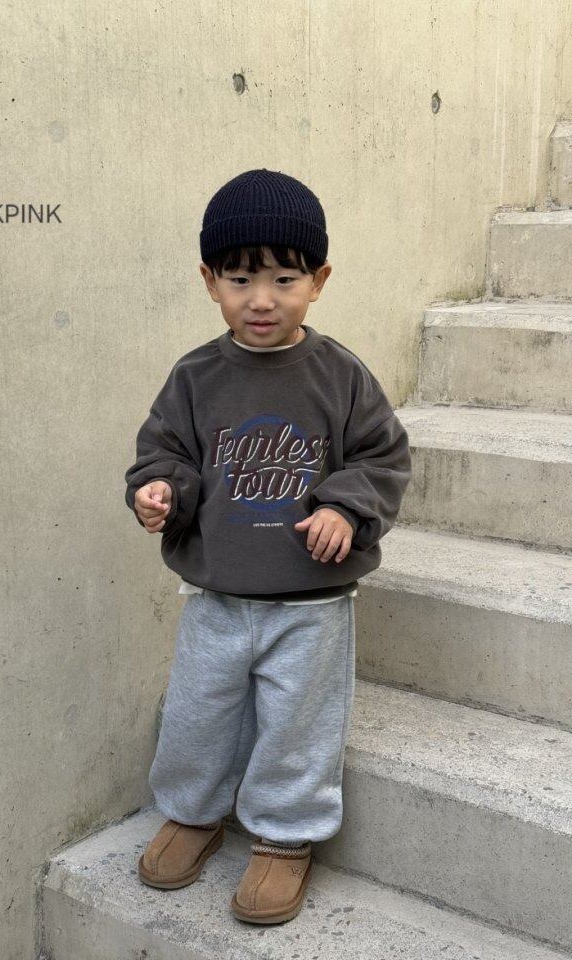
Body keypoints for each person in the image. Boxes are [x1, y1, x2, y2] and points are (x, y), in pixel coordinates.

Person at [124, 168, 412, 925]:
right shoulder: (195, 377)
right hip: (217, 593)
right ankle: (193, 812)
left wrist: (346, 507)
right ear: (209, 281)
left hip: (312, 603)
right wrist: (160, 492)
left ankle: (285, 836)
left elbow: (382, 457)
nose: (262, 298)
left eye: (284, 279)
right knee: (198, 713)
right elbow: (166, 454)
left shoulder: (340, 376)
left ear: (318, 281)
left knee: (298, 725)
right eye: (240, 279)